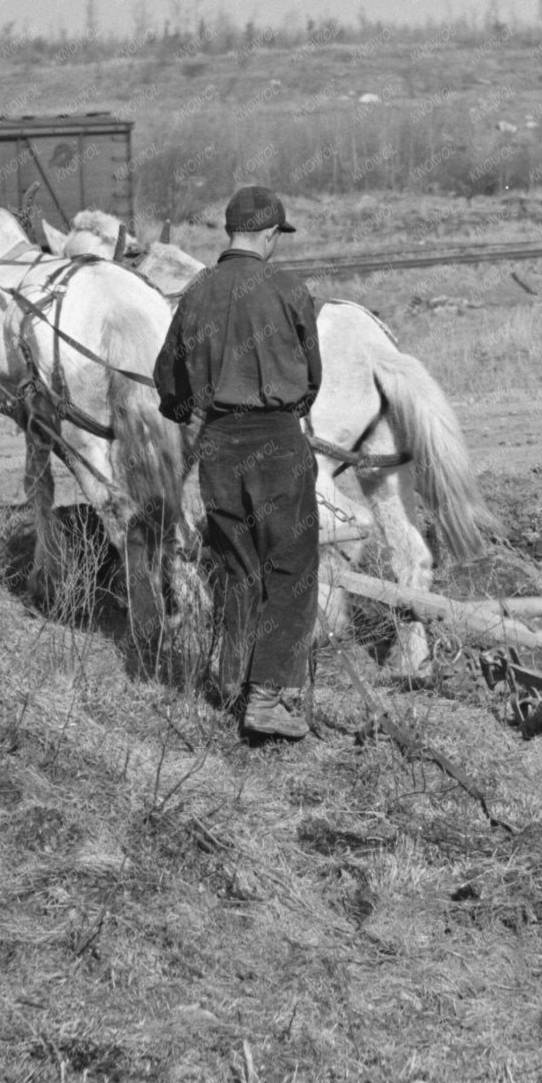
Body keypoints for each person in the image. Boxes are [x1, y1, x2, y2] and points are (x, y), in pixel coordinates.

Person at [153, 185, 323, 741]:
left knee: (237, 568)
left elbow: (169, 384)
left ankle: (232, 683)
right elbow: (311, 380)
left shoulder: (197, 291)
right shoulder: (288, 288)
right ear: (271, 235)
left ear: (231, 233)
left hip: (220, 448)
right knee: (291, 572)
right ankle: (270, 697)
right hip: (277, 442)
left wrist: (188, 405)